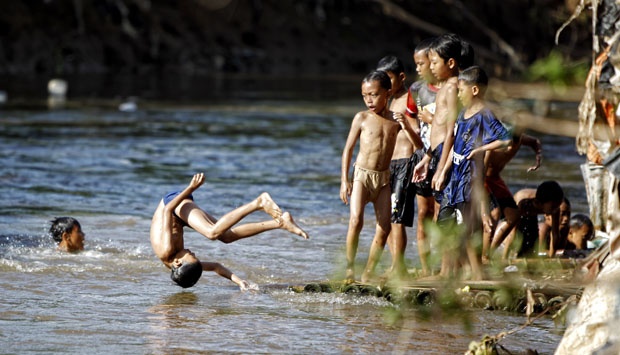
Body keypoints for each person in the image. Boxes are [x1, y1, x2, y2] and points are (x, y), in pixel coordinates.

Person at [415, 65, 510, 280]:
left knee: (467, 231)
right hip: (455, 177)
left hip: (470, 177)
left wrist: (481, 149)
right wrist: (442, 171)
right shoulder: (462, 114)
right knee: (446, 225)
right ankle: (448, 272)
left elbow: (505, 139)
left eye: (461, 90)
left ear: (474, 90)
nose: (457, 94)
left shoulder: (484, 114)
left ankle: (476, 276)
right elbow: (455, 146)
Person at [150, 173, 309, 289]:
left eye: (191, 255)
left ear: (177, 262)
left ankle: (259, 203)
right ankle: (280, 223)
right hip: (177, 217)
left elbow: (167, 210)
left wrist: (191, 188)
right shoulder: (183, 267)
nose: (192, 252)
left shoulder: (167, 249)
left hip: (172, 204)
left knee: (212, 233)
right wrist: (239, 281)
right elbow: (216, 267)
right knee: (226, 237)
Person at [340, 70, 420, 282]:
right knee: (356, 220)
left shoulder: (395, 120)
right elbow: (348, 149)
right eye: (365, 95)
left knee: (385, 226)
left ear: (387, 93)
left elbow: (418, 145)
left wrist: (405, 126)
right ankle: (349, 268)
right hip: (362, 176)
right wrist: (343, 180)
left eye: (374, 94)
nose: (369, 100)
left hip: (384, 178)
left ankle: (368, 271)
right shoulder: (362, 118)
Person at [377, 55, 424, 279]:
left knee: (397, 218)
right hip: (388, 164)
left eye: (389, 79)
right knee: (385, 217)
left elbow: (416, 134)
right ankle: (397, 263)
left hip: (405, 162)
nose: (385, 85)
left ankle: (399, 266)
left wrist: (405, 124)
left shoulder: (408, 100)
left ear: (401, 77)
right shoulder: (386, 100)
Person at [481, 130, 543, 263]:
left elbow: (535, 142)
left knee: (514, 215)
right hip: (483, 179)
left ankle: (489, 252)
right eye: (506, 143)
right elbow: (479, 173)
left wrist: (537, 159)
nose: (509, 148)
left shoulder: (520, 139)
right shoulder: (491, 146)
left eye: (513, 144)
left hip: (495, 179)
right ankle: (484, 256)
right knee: (494, 214)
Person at [406, 37, 439, 276]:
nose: (417, 68)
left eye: (421, 63)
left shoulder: (450, 89)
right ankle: (426, 268)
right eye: (416, 64)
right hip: (423, 157)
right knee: (423, 213)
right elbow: (411, 120)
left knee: (441, 213)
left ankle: (443, 265)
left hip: (443, 156)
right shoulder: (416, 90)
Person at [493, 181, 565, 259]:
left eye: (558, 205)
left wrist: (552, 256)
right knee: (516, 239)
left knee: (531, 250)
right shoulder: (524, 203)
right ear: (539, 203)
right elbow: (512, 233)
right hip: (516, 212)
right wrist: (505, 257)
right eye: (554, 206)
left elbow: (555, 234)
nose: (556, 210)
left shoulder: (554, 208)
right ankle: (491, 252)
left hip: (532, 212)